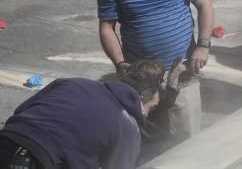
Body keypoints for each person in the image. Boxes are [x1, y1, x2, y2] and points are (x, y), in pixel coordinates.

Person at [97, 0, 214, 141]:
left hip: (182, 71)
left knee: (187, 136)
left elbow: (204, 5)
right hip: (143, 78)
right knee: (149, 137)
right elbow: (107, 27)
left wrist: (203, 45)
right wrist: (120, 63)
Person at [0, 61, 164, 169]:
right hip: (36, 159)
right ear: (141, 99)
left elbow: (21, 110)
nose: (148, 115)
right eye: (152, 108)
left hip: (6, 139)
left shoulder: (74, 82)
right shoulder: (127, 126)